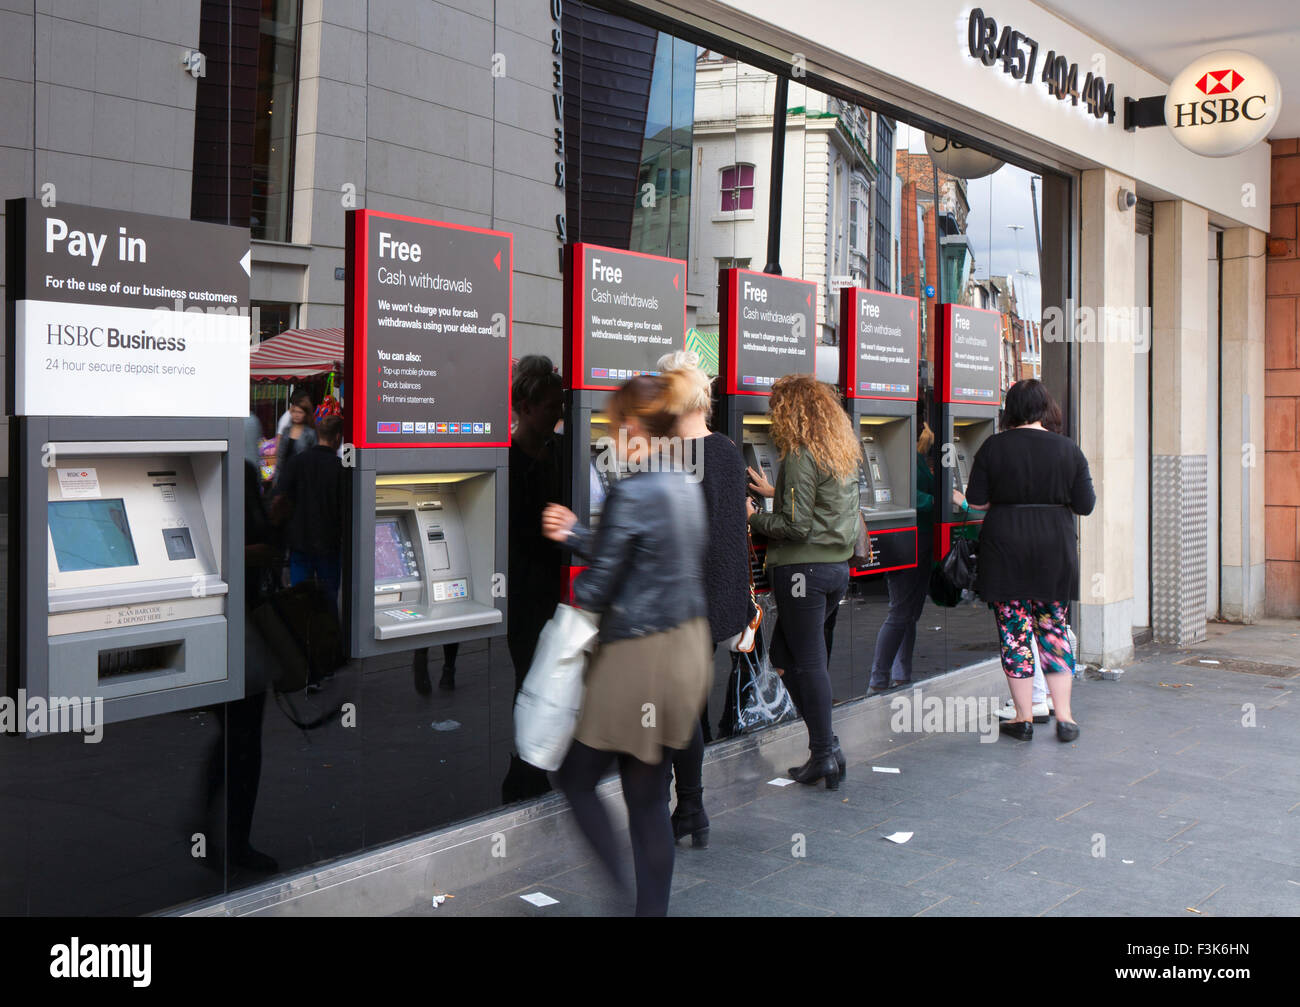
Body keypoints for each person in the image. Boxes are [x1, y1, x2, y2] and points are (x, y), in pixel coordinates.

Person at [541, 372, 710, 917]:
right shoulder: (684, 482)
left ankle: (617, 892)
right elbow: (645, 553)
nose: (612, 436)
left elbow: (599, 585)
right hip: (686, 648)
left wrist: (573, 559)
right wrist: (578, 535)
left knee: (576, 777)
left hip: (639, 657)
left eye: (615, 426)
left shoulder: (632, 490)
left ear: (634, 427)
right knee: (645, 797)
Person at [959, 379, 1095, 742]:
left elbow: (977, 501)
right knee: (1053, 629)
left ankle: (1023, 717)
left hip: (1006, 547)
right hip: (1054, 547)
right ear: (1046, 408)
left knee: (1015, 633)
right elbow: (1085, 505)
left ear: (1011, 410)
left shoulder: (993, 447)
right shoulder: (1068, 449)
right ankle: (1065, 717)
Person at [746, 374, 860, 790]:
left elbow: (795, 526)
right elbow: (823, 505)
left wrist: (752, 515)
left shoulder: (798, 453)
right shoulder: (837, 451)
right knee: (783, 654)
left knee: (807, 661)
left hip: (802, 573)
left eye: (777, 407)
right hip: (834, 570)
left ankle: (824, 754)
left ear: (790, 411)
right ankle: (826, 746)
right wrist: (777, 490)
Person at [657, 350, 749, 849]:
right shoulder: (727, 451)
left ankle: (688, 804)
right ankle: (688, 806)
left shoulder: (667, 456)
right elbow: (731, 534)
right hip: (713, 601)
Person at [501, 356, 566, 803]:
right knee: (530, 678)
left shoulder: (562, 451)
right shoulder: (506, 461)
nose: (557, 416)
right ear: (524, 405)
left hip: (561, 586)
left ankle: (536, 765)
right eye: (549, 407)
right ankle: (525, 771)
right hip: (526, 590)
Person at [868, 418, 938, 695]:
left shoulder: (913, 454)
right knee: (901, 612)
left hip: (916, 541)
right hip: (908, 541)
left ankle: (900, 674)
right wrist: (940, 500)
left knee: (908, 613)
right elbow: (912, 495)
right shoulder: (907, 454)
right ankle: (879, 678)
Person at [273, 413, 347, 615]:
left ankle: (301, 640)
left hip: (299, 542)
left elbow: (279, 497)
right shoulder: (341, 469)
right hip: (329, 544)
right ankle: (328, 640)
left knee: (299, 597)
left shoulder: (297, 462)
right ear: (338, 437)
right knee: (329, 597)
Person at [274, 392, 317, 489]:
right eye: (294, 412)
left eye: (300, 412)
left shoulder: (310, 433)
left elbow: (313, 459)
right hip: (285, 477)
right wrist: (276, 479)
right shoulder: (286, 431)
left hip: (302, 479)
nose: (296, 415)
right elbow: (280, 458)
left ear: (305, 414)